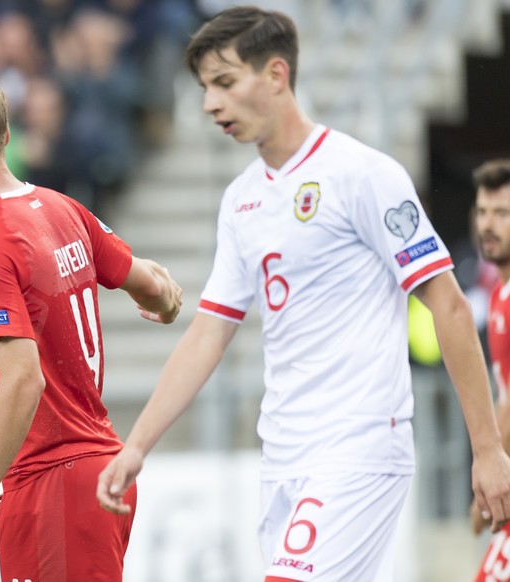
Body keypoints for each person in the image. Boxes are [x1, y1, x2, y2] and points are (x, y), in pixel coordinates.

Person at [95, 6, 510, 581]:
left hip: (359, 446)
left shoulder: (363, 174)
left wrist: (487, 450)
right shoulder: (240, 200)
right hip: (284, 454)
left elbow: (449, 305)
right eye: (204, 88)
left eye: (224, 82)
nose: (211, 103)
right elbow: (209, 331)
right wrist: (136, 445)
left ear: (276, 75)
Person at [0, 64, 182, 581]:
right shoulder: (64, 208)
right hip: (96, 466)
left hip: (56, 479)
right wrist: (168, 304)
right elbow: (150, 284)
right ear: (6, 134)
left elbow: (23, 377)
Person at [471, 159, 510, 582]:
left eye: (502, 213)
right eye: (482, 212)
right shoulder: (499, 292)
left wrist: (487, 472)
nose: (489, 224)